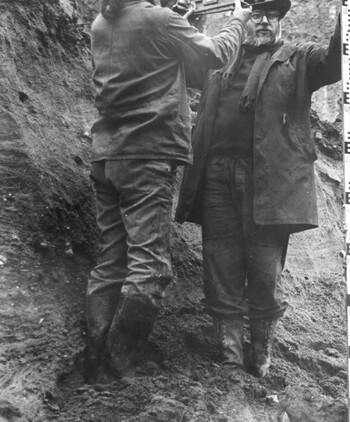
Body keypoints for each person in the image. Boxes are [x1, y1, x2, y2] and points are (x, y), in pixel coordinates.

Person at [175, 0, 350, 377]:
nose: (262, 22)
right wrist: (181, 22)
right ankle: (229, 359)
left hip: (268, 183)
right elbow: (182, 63)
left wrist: (348, 15)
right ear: (243, 20)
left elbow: (337, 62)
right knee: (220, 265)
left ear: (280, 21)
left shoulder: (297, 58)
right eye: (255, 15)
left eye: (270, 16)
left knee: (263, 272)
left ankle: (260, 356)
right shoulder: (221, 57)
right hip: (216, 177)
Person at [84, 0, 252, 383]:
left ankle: (94, 368)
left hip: (107, 155)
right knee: (150, 269)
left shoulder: (101, 23)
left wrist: (185, 22)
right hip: (147, 155)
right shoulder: (160, 20)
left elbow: (164, 61)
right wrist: (237, 20)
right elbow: (216, 55)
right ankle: (118, 372)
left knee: (111, 264)